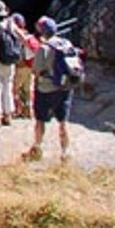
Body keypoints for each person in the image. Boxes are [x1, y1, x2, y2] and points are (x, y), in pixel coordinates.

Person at [24, 15, 79, 164]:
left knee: (40, 120)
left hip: (45, 89)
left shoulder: (44, 48)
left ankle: (37, 148)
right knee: (63, 122)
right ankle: (65, 153)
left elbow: (35, 70)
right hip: (65, 87)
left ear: (42, 32)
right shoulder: (66, 43)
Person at [11, 11, 38, 113]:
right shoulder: (28, 35)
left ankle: (18, 108)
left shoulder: (17, 36)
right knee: (29, 88)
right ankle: (30, 109)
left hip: (21, 66)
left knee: (14, 89)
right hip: (31, 65)